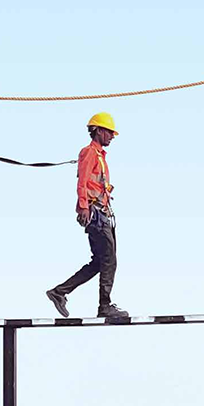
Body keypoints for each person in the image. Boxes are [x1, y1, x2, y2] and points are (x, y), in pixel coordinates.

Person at [46, 113, 128, 318]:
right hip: (95, 213)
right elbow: (82, 182)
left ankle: (59, 292)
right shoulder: (89, 153)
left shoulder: (99, 156)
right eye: (109, 132)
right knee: (109, 259)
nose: (112, 136)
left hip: (101, 212)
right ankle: (105, 306)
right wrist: (83, 206)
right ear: (98, 131)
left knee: (100, 262)